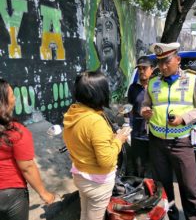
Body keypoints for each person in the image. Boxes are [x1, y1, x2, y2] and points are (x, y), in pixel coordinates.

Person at [141, 43, 196, 220]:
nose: (163, 67)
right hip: (156, 142)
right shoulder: (153, 82)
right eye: (159, 63)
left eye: (167, 62)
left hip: (180, 143)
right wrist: (144, 111)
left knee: (190, 188)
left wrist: (184, 119)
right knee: (162, 187)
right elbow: (145, 104)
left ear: (178, 60)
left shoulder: (192, 80)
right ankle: (169, 216)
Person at [63, 71, 130, 220]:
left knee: (85, 214)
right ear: (100, 93)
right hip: (97, 182)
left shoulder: (73, 113)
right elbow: (105, 161)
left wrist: (110, 139)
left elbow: (86, 141)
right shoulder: (95, 121)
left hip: (81, 175)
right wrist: (119, 140)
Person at [0, 79, 55, 220]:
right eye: (12, 95)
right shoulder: (16, 132)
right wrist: (44, 193)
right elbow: (27, 167)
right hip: (11, 193)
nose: (15, 98)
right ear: (4, 102)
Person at [128, 56, 155, 177]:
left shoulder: (158, 87)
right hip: (138, 134)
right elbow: (129, 108)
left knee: (157, 167)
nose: (142, 71)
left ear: (152, 69)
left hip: (156, 134)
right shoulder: (133, 88)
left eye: (145, 68)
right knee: (138, 168)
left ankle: (157, 192)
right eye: (139, 69)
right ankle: (140, 190)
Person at [95, 0, 126, 101]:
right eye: (99, 30)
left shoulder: (126, 80)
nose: (104, 36)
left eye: (108, 27)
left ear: (118, 36)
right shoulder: (93, 82)